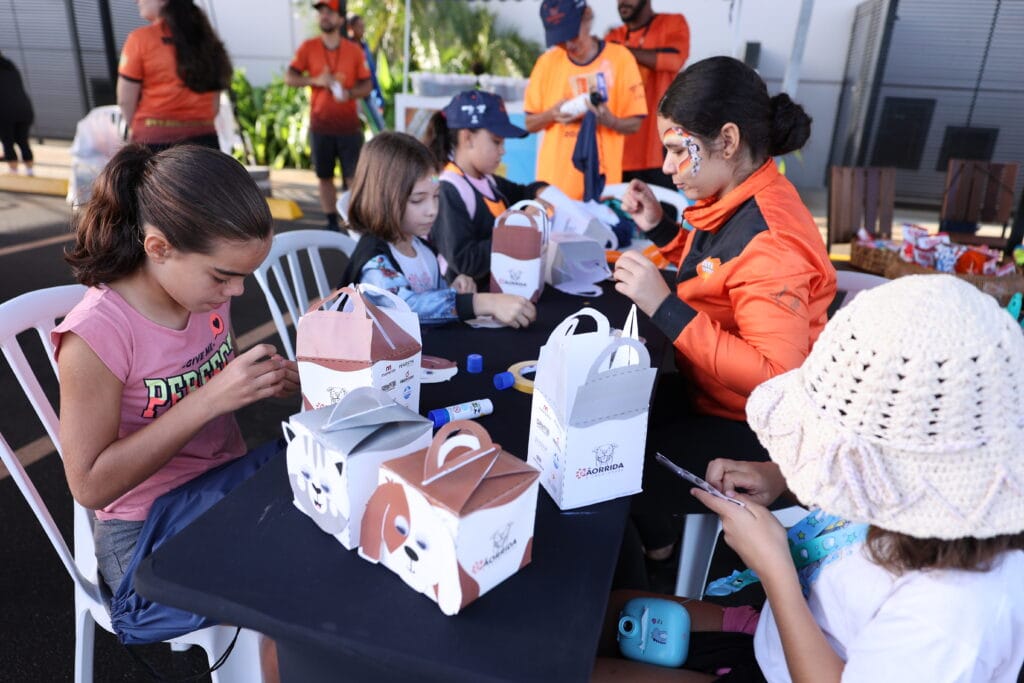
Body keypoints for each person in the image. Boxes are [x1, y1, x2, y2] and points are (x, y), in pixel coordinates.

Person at [595, 274, 1024, 682]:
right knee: (596, 613)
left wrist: (774, 569)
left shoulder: (956, 614)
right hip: (778, 630)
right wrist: (781, 477)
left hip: (798, 654)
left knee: (568, 669)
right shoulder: (922, 482)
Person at [54, 144, 296, 681]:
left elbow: (212, 375)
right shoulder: (97, 334)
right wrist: (209, 399)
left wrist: (271, 379)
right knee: (291, 582)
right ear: (158, 248)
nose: (236, 291)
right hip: (143, 536)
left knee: (338, 521)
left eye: (244, 277)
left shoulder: (202, 293)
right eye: (224, 276)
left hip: (223, 490)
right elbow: (90, 485)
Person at [611, 57, 836, 570]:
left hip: (754, 427)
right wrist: (663, 230)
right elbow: (716, 270)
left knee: (620, 462)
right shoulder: (738, 194)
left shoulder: (773, 240)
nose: (668, 167)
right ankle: (659, 538)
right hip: (711, 394)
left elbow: (775, 377)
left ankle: (657, 567)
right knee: (613, 417)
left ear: (728, 140)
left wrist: (664, 309)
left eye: (675, 150)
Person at [341, 132, 537, 328]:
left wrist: (454, 290)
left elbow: (431, 300)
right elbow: (402, 307)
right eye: (418, 200)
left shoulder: (423, 250)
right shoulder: (375, 260)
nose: (433, 210)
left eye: (436, 196)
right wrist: (480, 302)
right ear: (382, 199)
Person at [424, 89, 548, 289]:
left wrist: (543, 192)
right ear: (468, 138)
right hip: (468, 305)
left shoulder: (488, 181)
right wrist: (517, 232)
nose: (503, 150)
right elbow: (466, 262)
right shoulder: (449, 190)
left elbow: (524, 192)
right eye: (496, 142)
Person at [524, 0, 646, 201]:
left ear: (587, 18)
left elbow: (635, 123)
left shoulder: (620, 58)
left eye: (571, 35)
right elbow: (529, 123)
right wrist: (552, 114)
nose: (569, 45)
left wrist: (609, 121)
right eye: (560, 39)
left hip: (603, 189)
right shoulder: (547, 63)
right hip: (553, 192)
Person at [286, 0, 372, 231]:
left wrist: (350, 93)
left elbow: (367, 85)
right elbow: (290, 77)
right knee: (324, 177)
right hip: (320, 125)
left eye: (330, 12)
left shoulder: (354, 50)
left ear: (340, 19)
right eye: (321, 12)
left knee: (353, 178)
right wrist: (315, 80)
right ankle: (331, 221)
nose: (324, 16)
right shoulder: (308, 47)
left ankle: (354, 221)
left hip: (349, 127)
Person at [117, 0, 232, 151]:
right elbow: (215, 104)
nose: (136, 1)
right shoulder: (208, 40)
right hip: (205, 140)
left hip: (154, 141)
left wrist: (139, 128)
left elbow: (125, 100)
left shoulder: (139, 40)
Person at [606, 0, 689, 191]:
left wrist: (620, 52)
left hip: (659, 150)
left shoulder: (673, 23)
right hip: (617, 154)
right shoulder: (614, 36)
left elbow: (673, 60)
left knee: (661, 217)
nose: (622, 3)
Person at [346, 13, 386, 131]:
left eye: (363, 26)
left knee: (379, 126)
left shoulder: (364, 47)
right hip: (355, 96)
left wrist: (379, 97)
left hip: (367, 93)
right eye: (359, 26)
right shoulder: (347, 48)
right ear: (351, 28)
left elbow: (372, 74)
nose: (362, 30)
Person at [0, 50, 34, 175]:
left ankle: (14, 173)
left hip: (5, 111)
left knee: (8, 142)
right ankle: (30, 171)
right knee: (23, 141)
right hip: (24, 108)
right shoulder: (10, 66)